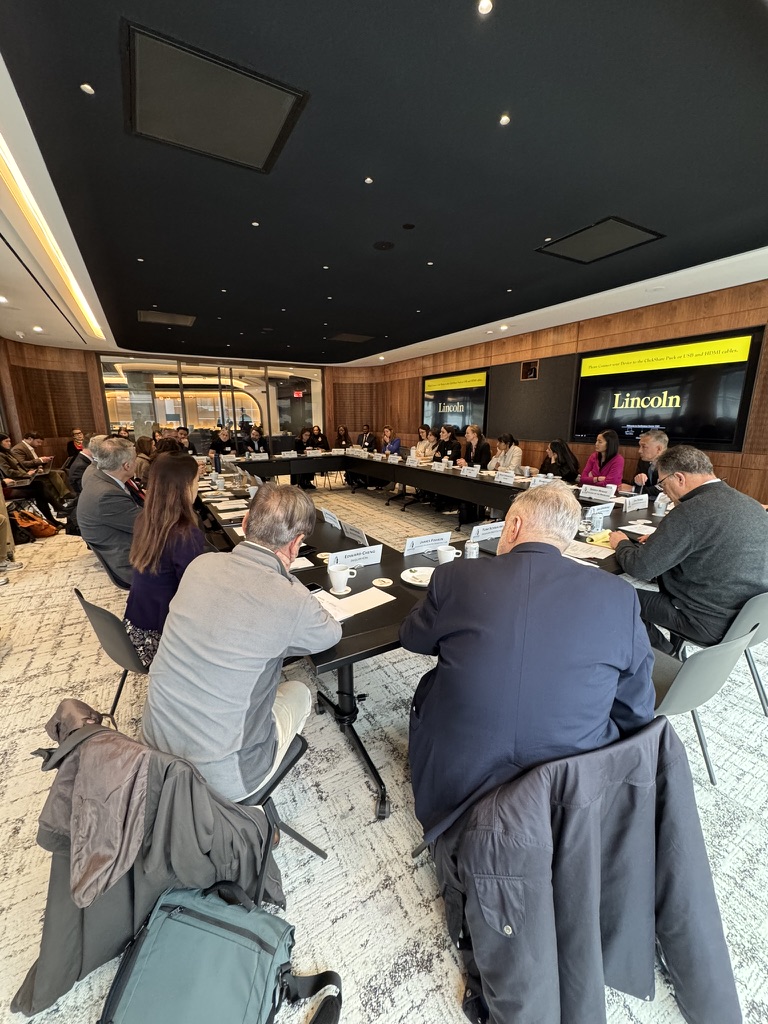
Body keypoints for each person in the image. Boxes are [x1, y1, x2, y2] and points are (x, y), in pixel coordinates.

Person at [400, 481, 655, 845]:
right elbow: (636, 707)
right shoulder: (619, 595)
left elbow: (414, 639)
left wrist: (432, 603)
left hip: (460, 766)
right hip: (568, 781)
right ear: (567, 537)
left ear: (514, 526)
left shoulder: (455, 576)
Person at [142, 483, 342, 801]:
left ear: (245, 522)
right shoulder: (291, 599)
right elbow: (330, 634)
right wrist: (287, 580)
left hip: (153, 749)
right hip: (222, 777)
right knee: (299, 689)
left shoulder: (200, 565)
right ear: (296, 545)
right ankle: (251, 809)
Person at [609, 445, 768, 654]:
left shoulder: (690, 511)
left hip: (705, 621)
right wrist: (665, 540)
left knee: (613, 597)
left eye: (662, 484)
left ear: (679, 478)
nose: (664, 492)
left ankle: (665, 656)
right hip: (752, 620)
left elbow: (640, 568)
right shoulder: (751, 504)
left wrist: (621, 543)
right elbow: (713, 542)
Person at [123, 453, 207, 667]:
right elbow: (196, 593)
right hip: (164, 642)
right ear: (186, 487)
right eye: (197, 481)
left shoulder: (145, 520)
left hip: (136, 631)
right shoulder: (184, 534)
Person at [77, 437, 142, 587]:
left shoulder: (99, 479)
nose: (136, 463)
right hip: (132, 563)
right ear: (127, 466)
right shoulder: (107, 495)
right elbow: (149, 525)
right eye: (135, 460)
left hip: (126, 549)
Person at [0, 433, 64, 528]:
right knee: (39, 490)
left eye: (9, 441)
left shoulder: (7, 453)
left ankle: (56, 513)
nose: (9, 443)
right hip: (9, 487)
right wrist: (26, 474)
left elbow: (19, 467)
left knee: (39, 485)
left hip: (17, 481)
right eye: (6, 441)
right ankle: (57, 511)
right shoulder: (1, 455)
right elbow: (9, 472)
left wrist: (30, 472)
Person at [11, 431, 74, 506]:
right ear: (30, 439)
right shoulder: (18, 449)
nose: (39, 444)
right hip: (27, 473)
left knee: (61, 472)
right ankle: (59, 502)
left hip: (36, 470)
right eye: (38, 442)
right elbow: (23, 464)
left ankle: (65, 495)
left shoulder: (29, 448)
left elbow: (34, 461)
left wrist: (42, 463)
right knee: (49, 479)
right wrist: (40, 460)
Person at [629, 429, 669, 498]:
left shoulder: (671, 462)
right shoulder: (644, 460)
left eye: (644, 447)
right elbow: (635, 483)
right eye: (640, 446)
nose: (639, 451)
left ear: (659, 449)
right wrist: (638, 481)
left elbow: (661, 489)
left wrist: (634, 489)